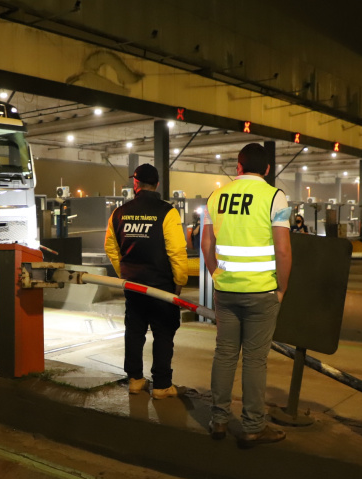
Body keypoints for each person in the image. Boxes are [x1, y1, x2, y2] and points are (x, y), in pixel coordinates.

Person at [201, 143, 292, 448]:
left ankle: (219, 420)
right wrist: (281, 288)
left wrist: (216, 274)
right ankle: (253, 426)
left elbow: (205, 244)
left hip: (226, 290)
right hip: (261, 291)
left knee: (224, 354)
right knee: (255, 359)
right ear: (267, 169)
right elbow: (282, 249)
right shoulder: (274, 197)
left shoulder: (216, 196)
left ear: (238, 167)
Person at [104, 163, 188, 399]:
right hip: (161, 287)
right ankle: (161, 385)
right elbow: (176, 251)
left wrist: (124, 271)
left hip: (133, 285)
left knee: (134, 331)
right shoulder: (167, 212)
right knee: (163, 334)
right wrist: (179, 281)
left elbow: (110, 246)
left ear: (135, 184)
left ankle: (135, 380)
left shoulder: (119, 212)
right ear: (157, 184)